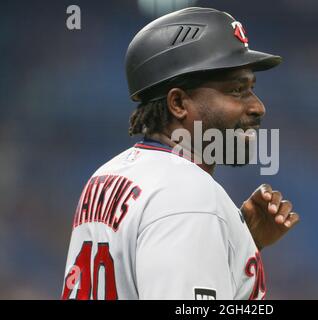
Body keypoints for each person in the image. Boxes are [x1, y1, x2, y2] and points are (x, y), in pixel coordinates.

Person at [62, 7, 299, 300]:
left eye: (251, 88)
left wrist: (236, 244)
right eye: (237, 90)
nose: (257, 106)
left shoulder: (107, 175)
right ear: (178, 103)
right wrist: (204, 223)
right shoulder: (190, 197)